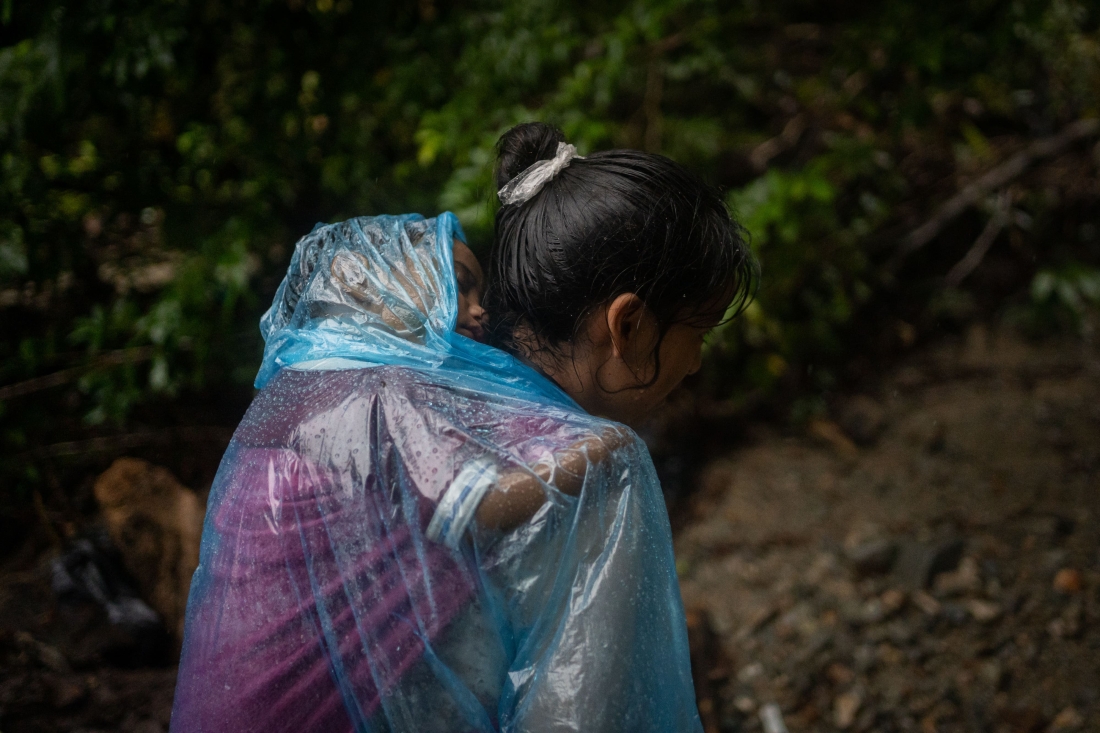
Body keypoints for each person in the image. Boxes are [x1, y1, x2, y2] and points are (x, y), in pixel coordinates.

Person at [171, 123, 755, 733]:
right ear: (626, 325)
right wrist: (600, 454)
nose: (697, 363)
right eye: (702, 332)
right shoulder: (568, 466)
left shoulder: (341, 402)